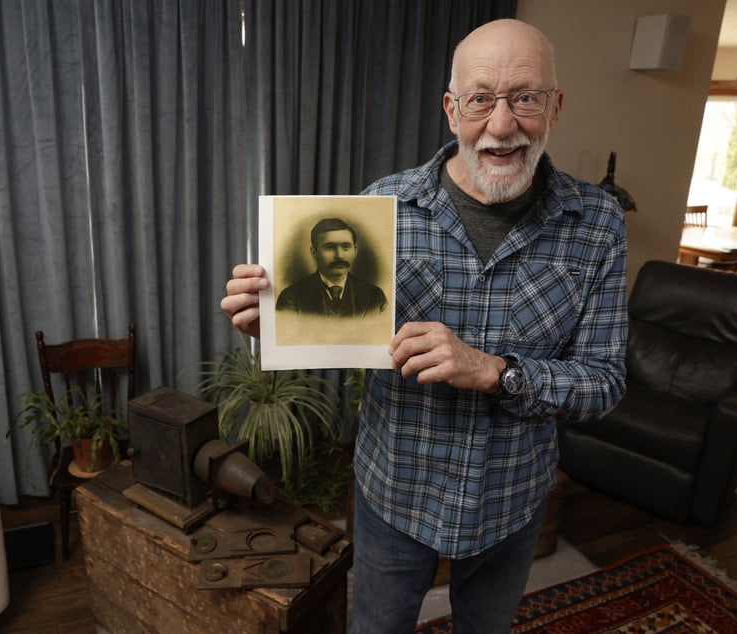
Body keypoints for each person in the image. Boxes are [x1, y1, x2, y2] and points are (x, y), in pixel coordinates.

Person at [221, 18, 627, 634]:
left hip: (512, 503)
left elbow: (604, 383)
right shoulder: (381, 207)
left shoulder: (597, 224)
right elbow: (337, 332)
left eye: (524, 97)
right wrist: (273, 324)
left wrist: (496, 372)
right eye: (480, 99)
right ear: (450, 108)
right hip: (394, 494)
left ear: (555, 105)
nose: (501, 124)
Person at [275, 217, 387, 317]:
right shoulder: (291, 298)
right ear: (314, 252)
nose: (339, 256)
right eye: (330, 247)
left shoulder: (375, 297)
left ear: (355, 250)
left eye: (346, 246)